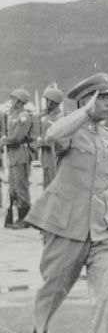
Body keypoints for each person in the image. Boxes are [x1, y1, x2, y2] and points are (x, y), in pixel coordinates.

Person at [25, 73, 108, 333]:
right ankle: (40, 327)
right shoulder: (70, 132)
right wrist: (84, 113)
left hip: (103, 227)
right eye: (104, 99)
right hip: (68, 224)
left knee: (105, 288)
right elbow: (53, 135)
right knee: (55, 284)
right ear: (88, 101)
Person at [3, 88, 34, 229]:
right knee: (13, 187)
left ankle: (25, 218)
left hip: (21, 154)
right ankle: (16, 216)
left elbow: (17, 137)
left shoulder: (24, 116)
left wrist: (4, 140)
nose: (12, 101)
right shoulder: (12, 115)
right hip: (13, 155)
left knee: (21, 187)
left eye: (14, 98)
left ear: (20, 101)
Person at [37, 86, 65, 189]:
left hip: (55, 157)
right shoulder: (46, 117)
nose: (45, 103)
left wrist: (43, 141)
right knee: (47, 186)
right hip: (46, 157)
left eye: (47, 100)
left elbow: (57, 139)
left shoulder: (61, 118)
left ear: (53, 102)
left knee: (55, 186)